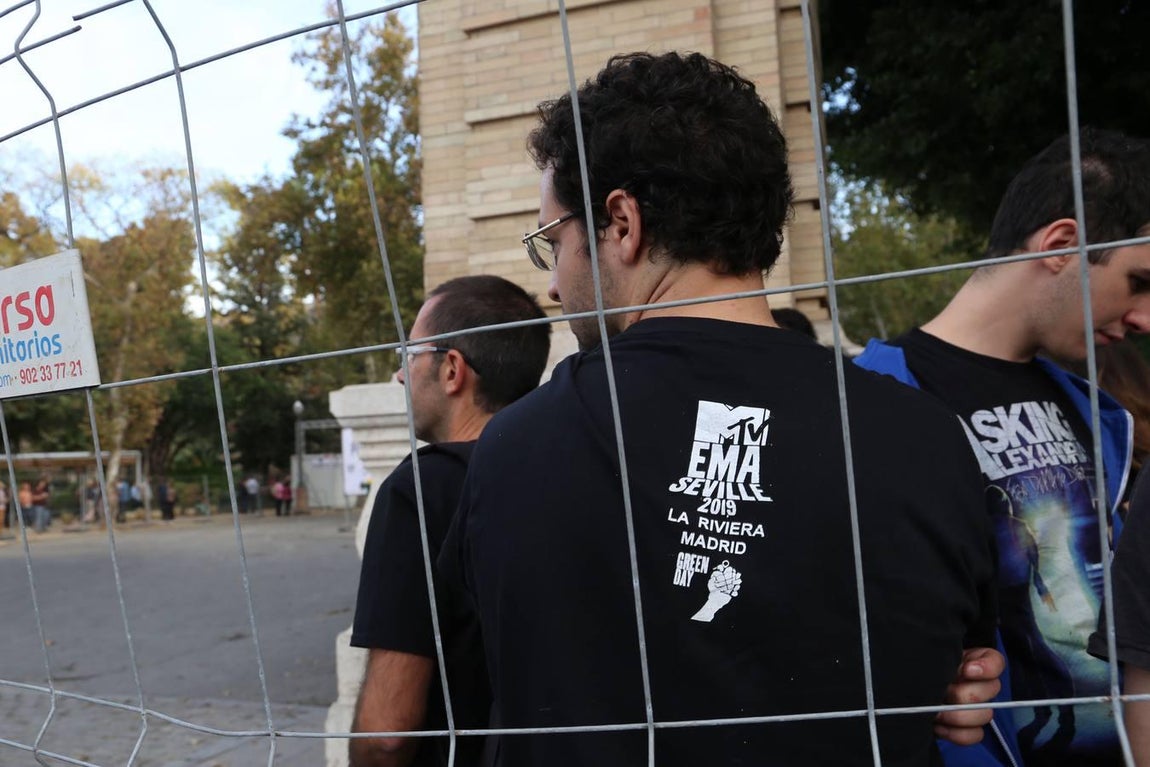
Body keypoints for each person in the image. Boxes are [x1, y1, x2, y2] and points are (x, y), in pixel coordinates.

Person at [439, 52, 999, 766]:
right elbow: (959, 666)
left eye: (553, 242)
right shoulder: (926, 437)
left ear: (620, 222)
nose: (552, 286)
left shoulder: (517, 446)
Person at [855, 128, 1150, 766]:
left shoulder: (1095, 408)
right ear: (1063, 245)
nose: (1145, 319)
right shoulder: (871, 399)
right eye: (1139, 282)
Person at [349, 275, 551, 767]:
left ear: (452, 370)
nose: (400, 375)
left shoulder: (421, 489)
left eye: (408, 354)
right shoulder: (561, 470)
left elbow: (387, 733)